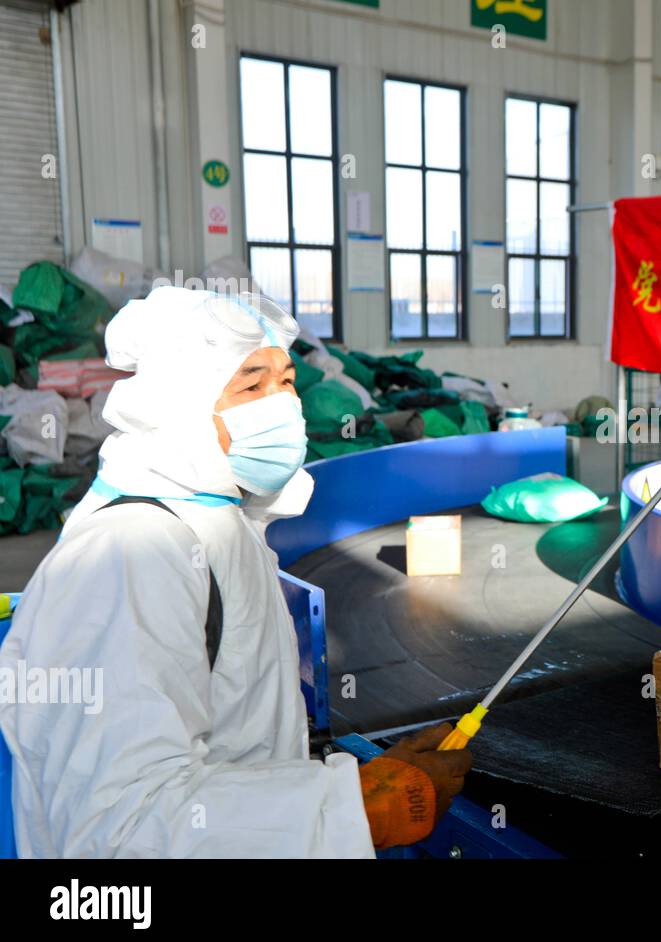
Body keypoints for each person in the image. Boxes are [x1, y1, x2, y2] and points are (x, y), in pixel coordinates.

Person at [0, 287, 470, 857]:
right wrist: (353, 811)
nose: (281, 405)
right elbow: (122, 828)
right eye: (251, 385)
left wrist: (346, 782)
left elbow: (237, 753)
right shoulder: (131, 555)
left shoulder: (222, 525)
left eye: (287, 382)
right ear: (181, 408)